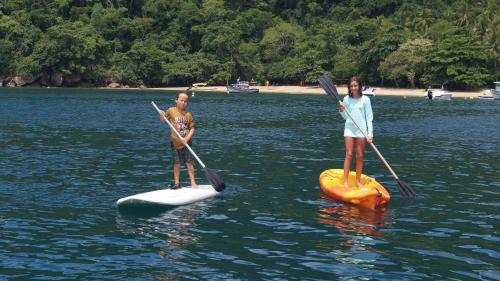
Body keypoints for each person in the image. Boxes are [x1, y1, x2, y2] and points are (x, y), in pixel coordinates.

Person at [338, 76, 373, 188]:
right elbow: (344, 117)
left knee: (360, 156)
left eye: (355, 86)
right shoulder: (346, 99)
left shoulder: (366, 100)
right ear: (349, 87)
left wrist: (370, 134)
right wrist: (341, 109)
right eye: (351, 86)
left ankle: (358, 181)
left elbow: (369, 118)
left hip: (361, 131)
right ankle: (345, 182)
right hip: (349, 129)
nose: (353, 88)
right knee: (349, 154)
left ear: (359, 86)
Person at [158, 92, 197, 189]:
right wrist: (162, 115)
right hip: (175, 143)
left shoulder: (188, 115)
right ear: (176, 100)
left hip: (186, 142)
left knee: (189, 163)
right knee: (176, 163)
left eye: (185, 101)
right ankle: (176, 183)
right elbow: (163, 120)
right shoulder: (171, 110)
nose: (183, 103)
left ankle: (193, 182)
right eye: (181, 100)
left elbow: (192, 128)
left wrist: (186, 138)